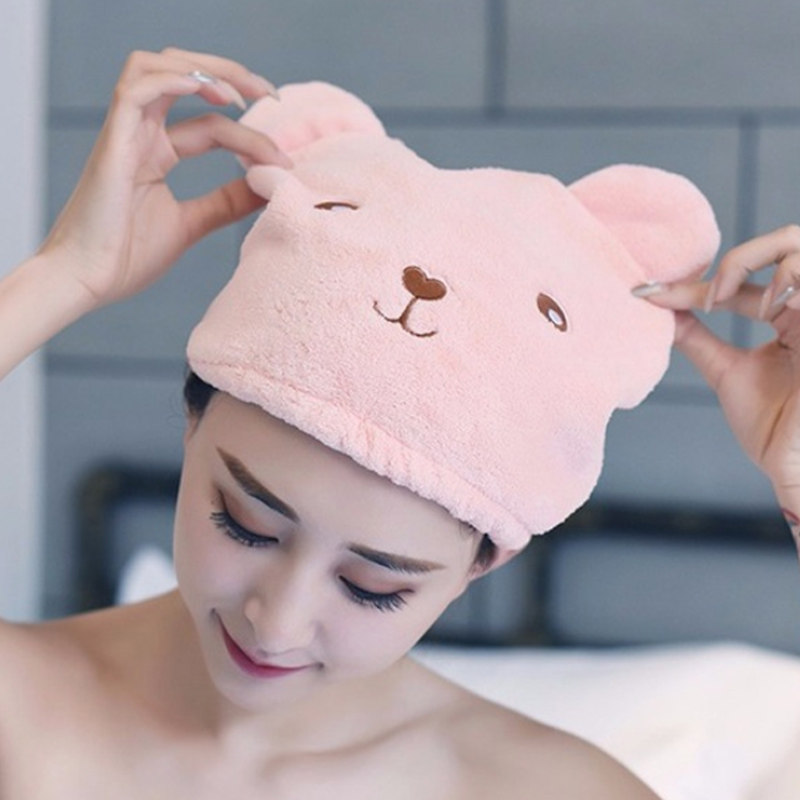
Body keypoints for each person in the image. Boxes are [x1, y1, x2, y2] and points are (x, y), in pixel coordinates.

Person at [0, 46, 796, 799]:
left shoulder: (548, 790)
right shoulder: (24, 705)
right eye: (245, 524)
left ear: (479, 566)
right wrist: (64, 275)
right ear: (191, 424)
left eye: (372, 587)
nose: (277, 623)